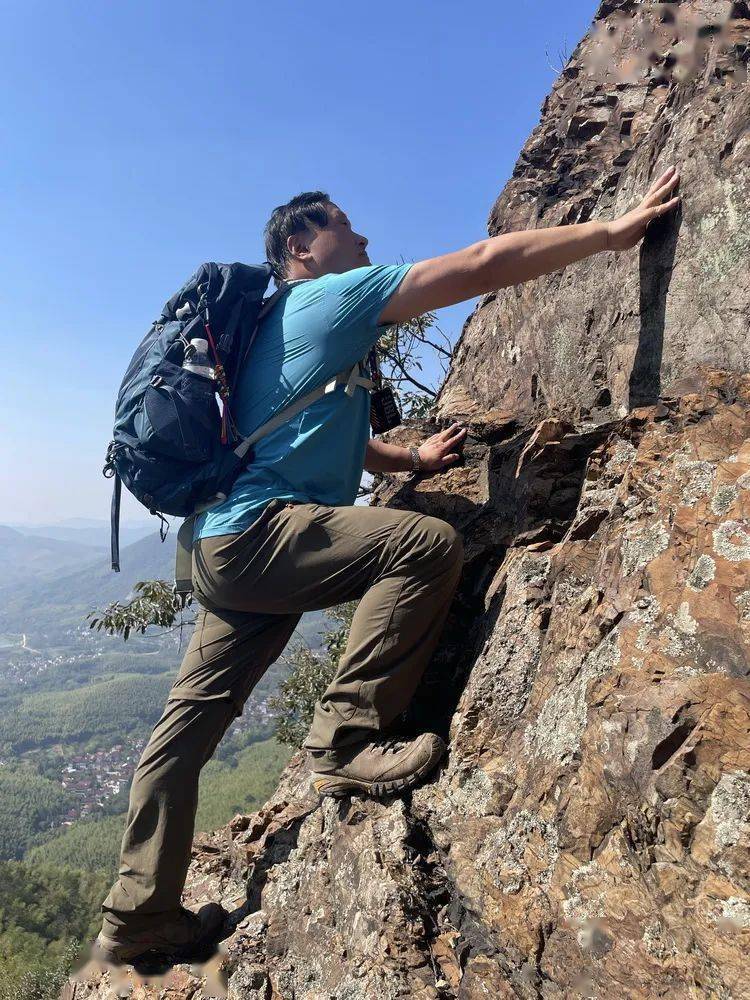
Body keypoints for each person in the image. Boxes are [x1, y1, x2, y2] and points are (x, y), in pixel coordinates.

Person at [93, 167, 681, 966]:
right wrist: (610, 234)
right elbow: (479, 265)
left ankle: (138, 914)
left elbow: (303, 427)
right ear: (301, 247)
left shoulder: (281, 328)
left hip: (219, 547)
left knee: (185, 731)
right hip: (261, 535)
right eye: (344, 226)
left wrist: (407, 455)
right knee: (425, 545)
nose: (364, 239)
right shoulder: (334, 297)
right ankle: (345, 741)